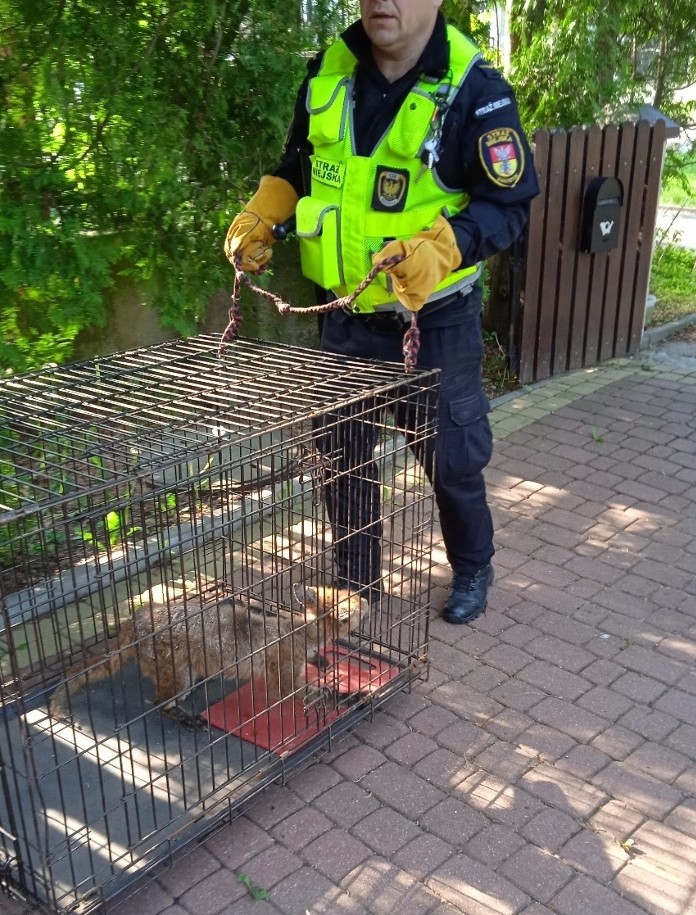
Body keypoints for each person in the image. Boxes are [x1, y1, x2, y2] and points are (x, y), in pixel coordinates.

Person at [224, 0, 539, 624]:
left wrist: (445, 247)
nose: (380, 2)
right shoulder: (328, 72)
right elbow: (301, 165)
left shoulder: (476, 91)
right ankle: (357, 585)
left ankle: (473, 566)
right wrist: (267, 207)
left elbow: (509, 204)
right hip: (345, 318)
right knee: (341, 458)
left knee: (451, 459)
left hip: (437, 321)